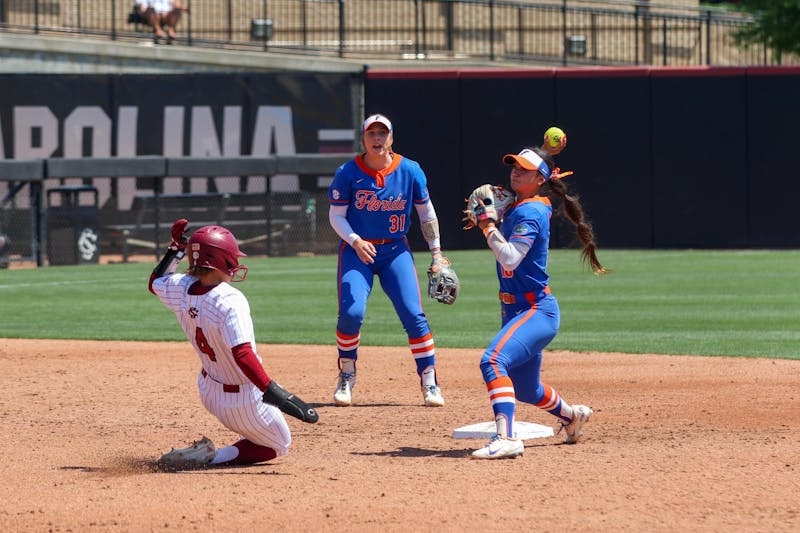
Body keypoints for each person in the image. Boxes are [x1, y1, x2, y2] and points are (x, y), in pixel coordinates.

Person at [463, 144, 606, 459]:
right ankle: (572, 416)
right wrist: (496, 219)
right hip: (516, 308)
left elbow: (511, 258)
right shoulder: (521, 207)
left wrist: (488, 226)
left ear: (541, 179)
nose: (516, 170)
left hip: (535, 310)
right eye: (514, 165)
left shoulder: (531, 211)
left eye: (525, 169)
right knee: (527, 389)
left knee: (492, 361)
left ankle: (507, 438)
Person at [149, 219, 318, 468]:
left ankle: (246, 430)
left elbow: (155, 283)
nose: (235, 263)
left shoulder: (181, 287)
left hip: (209, 389)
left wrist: (176, 249)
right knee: (278, 444)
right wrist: (276, 394)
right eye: (231, 258)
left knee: (256, 430)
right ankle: (206, 457)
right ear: (218, 261)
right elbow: (242, 354)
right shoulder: (229, 299)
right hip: (241, 399)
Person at [328, 113, 450, 407]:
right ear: (363, 139)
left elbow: (427, 215)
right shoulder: (347, 172)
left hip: (395, 250)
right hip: (357, 251)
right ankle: (346, 373)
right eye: (372, 134)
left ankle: (429, 381)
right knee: (352, 312)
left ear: (391, 139)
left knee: (413, 313)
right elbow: (336, 216)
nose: (377, 139)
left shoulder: (410, 171)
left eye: (383, 133)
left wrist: (437, 254)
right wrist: (355, 241)